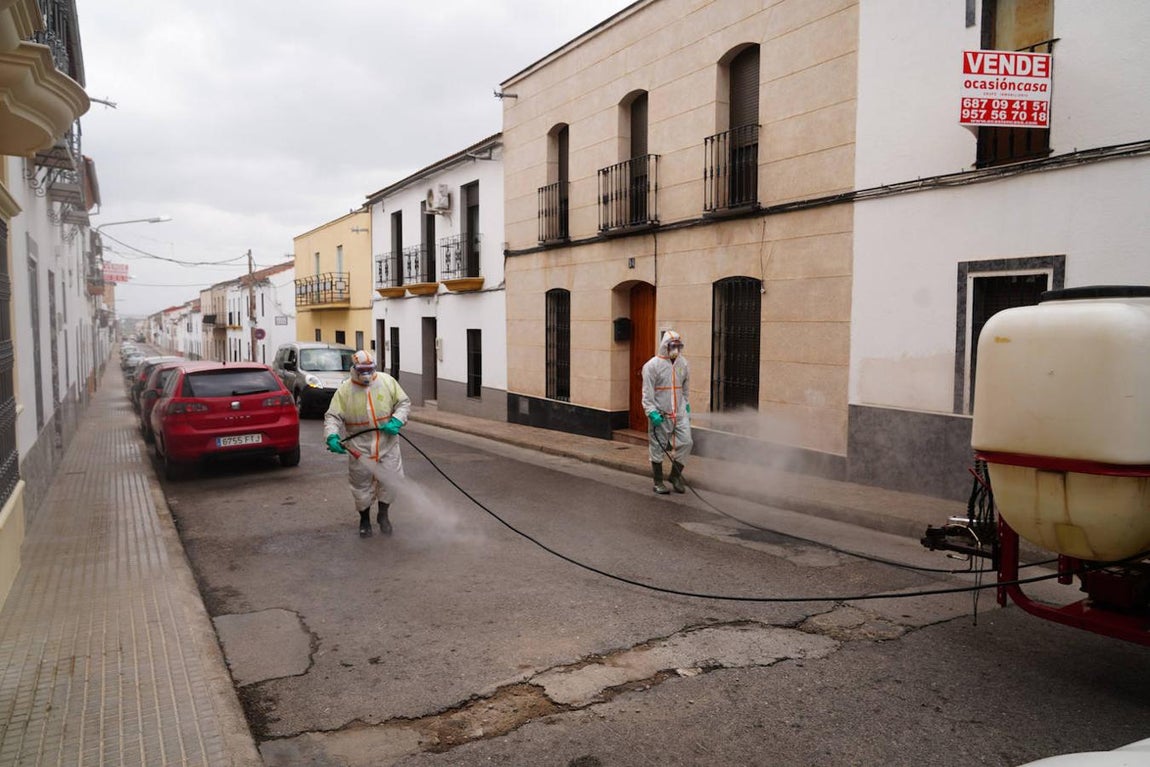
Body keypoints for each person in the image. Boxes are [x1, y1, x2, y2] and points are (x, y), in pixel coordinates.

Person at [324, 350, 411, 537]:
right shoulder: (345, 390)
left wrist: (397, 420)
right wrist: (331, 436)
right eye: (361, 370)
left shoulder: (387, 382)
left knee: (391, 481)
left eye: (369, 369)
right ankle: (364, 520)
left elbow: (403, 403)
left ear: (374, 368)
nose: (366, 374)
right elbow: (332, 416)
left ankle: (383, 515)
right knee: (361, 485)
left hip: (387, 444)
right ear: (354, 369)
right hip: (359, 446)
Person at [641, 329, 692, 494]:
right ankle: (658, 482)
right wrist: (651, 412)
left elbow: (685, 388)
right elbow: (647, 393)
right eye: (673, 346)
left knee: (686, 442)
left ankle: (675, 476)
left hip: (679, 413)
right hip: (660, 415)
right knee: (658, 447)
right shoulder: (652, 366)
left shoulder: (683, 364)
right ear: (665, 346)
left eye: (678, 346)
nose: (676, 350)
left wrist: (686, 405)